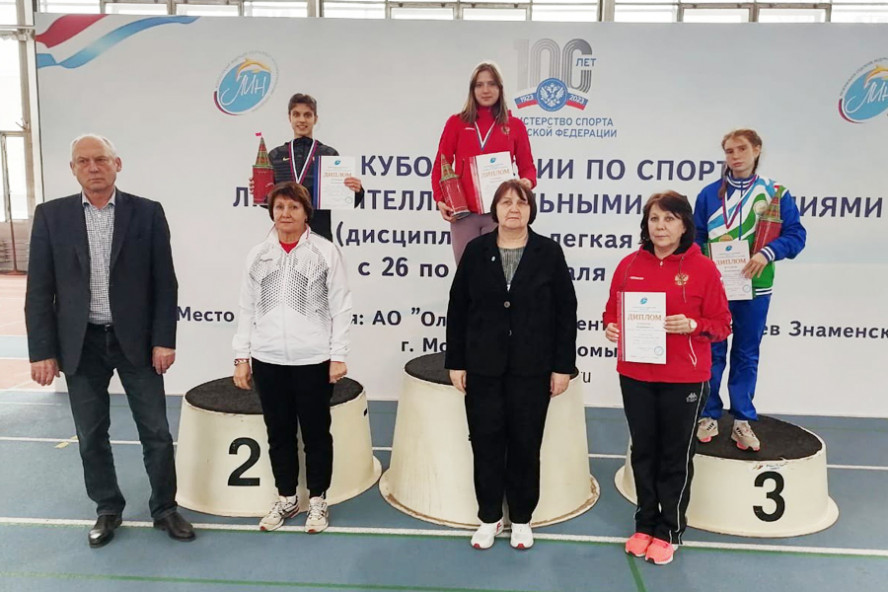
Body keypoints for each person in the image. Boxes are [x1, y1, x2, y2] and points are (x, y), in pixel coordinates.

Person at [24, 134, 194, 547]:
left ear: (118, 164)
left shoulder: (147, 213)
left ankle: (165, 508)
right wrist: (42, 351)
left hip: (135, 341)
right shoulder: (51, 216)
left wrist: (164, 340)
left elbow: (164, 283)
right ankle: (107, 508)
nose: (93, 167)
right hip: (79, 344)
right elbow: (39, 289)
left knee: (156, 431)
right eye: (83, 161)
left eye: (100, 159)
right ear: (73, 169)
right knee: (91, 434)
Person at [445, 179, 576, 551]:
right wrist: (456, 361)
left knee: (525, 444)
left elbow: (566, 312)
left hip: (532, 369)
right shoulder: (476, 250)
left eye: (521, 202)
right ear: (495, 210)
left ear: (531, 209)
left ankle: (521, 517)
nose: (513, 209)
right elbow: (458, 307)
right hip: (483, 367)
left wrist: (562, 366)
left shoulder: (548, 252)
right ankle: (489, 516)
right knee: (485, 442)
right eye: (505, 202)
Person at [603, 191, 731, 566]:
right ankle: (644, 524)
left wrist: (693, 325)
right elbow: (611, 312)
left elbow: (722, 324)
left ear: (685, 225)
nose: (660, 226)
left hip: (684, 378)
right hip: (635, 374)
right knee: (643, 452)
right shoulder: (628, 265)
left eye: (669, 219)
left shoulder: (703, 268)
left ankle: (669, 530)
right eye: (654, 219)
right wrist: (611, 327)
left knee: (675, 455)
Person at [232, 181, 352, 534]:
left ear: (306, 213)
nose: (286, 214)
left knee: (316, 434)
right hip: (267, 360)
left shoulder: (325, 252)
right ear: (272, 212)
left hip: (313, 360)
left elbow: (341, 306)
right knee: (278, 432)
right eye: (280, 207)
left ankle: (317, 500)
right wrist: (242, 357)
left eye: (293, 207)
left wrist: (337, 354)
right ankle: (286, 497)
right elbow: (246, 308)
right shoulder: (257, 254)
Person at [694, 129, 806, 451]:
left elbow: (796, 235)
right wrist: (705, 261)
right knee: (713, 350)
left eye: (741, 149)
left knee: (746, 353)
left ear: (757, 150)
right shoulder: (709, 195)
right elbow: (697, 237)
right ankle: (708, 414)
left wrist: (767, 253)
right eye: (729, 151)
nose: (735, 156)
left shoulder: (775, 193)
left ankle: (742, 420)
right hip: (716, 287)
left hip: (755, 286)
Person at [432, 62, 537, 263]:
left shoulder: (515, 126)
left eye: (491, 84)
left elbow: (528, 168)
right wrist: (440, 198)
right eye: (479, 85)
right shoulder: (456, 123)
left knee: (498, 273)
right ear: (472, 90)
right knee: (467, 274)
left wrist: (527, 182)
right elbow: (440, 165)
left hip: (500, 215)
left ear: (500, 88)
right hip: (464, 216)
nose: (486, 90)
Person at [251, 92, 364, 241]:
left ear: (315, 119)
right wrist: (260, 192)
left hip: (319, 236)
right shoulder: (276, 155)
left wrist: (356, 190)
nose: (302, 120)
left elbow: (345, 199)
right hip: (285, 236)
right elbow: (270, 204)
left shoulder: (328, 155)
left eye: (307, 115)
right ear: (290, 118)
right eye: (296, 114)